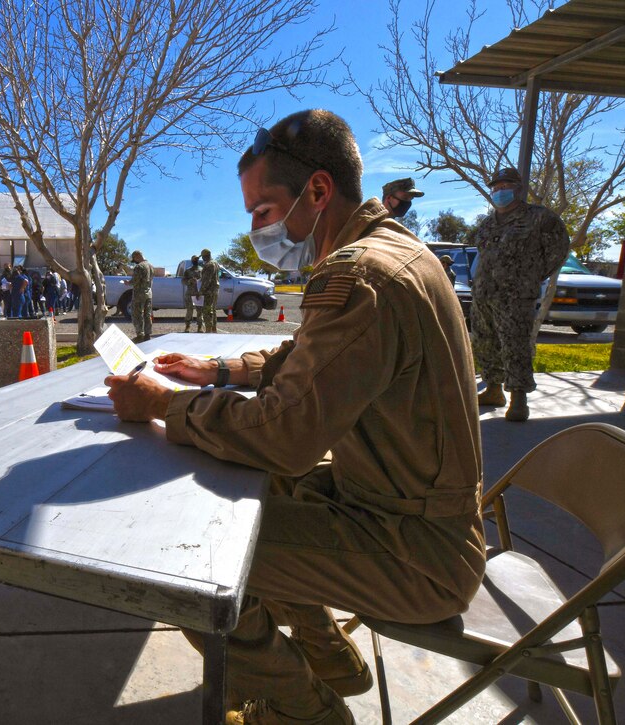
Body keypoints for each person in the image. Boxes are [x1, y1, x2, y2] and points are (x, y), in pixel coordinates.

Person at [105, 110, 484, 725]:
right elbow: (315, 352)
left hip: (417, 555)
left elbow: (285, 437)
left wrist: (162, 402)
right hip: (410, 515)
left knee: (182, 566)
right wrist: (225, 372)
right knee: (250, 502)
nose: (258, 229)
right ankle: (326, 653)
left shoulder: (359, 273)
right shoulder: (391, 253)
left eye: (264, 210)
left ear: (317, 190)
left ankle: (298, 708)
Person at [471, 167, 570, 422]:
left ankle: (518, 399)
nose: (499, 192)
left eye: (505, 187)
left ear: (518, 189)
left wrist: (530, 276)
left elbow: (557, 251)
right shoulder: (487, 223)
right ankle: (493, 390)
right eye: (496, 188)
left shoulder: (540, 218)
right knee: (485, 341)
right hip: (484, 293)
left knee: (515, 345)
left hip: (516, 295)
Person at [125, 250, 154, 341]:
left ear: (137, 256)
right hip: (148, 293)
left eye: (135, 260)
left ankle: (140, 334)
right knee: (147, 314)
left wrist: (128, 283)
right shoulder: (151, 266)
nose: (135, 262)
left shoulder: (139, 266)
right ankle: (148, 333)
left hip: (139, 294)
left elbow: (135, 280)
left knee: (137, 314)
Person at [199, 247, 219, 332]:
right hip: (215, 290)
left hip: (209, 291)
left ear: (204, 256)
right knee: (213, 309)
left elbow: (207, 280)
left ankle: (208, 330)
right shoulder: (215, 263)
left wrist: (201, 291)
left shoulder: (209, 264)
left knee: (207, 311)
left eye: (203, 257)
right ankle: (214, 329)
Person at [182, 254, 203, 333]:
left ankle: (200, 327)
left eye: (197, 260)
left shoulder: (202, 270)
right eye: (194, 260)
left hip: (198, 293)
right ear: (192, 261)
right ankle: (187, 326)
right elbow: (183, 281)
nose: (196, 261)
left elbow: (204, 280)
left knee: (200, 311)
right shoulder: (188, 270)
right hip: (190, 293)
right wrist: (189, 281)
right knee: (189, 311)